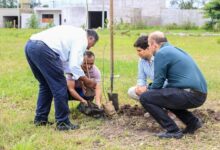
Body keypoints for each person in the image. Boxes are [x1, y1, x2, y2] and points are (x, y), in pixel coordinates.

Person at [24, 25, 99, 131]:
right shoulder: (82, 38)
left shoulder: (73, 33)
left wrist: (79, 78)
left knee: (45, 85)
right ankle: (63, 123)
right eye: (92, 45)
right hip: (43, 48)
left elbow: (65, 64)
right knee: (60, 86)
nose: (89, 48)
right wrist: (86, 80)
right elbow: (74, 65)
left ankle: (40, 119)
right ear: (91, 38)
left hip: (31, 46)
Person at [139, 31, 207, 139]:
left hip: (191, 94)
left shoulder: (161, 53)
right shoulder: (173, 49)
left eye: (148, 45)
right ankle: (193, 122)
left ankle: (173, 130)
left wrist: (146, 88)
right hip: (198, 93)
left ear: (154, 45)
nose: (149, 48)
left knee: (145, 97)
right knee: (164, 95)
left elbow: (158, 83)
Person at [127, 35, 154, 100]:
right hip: (152, 88)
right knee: (131, 91)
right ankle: (150, 105)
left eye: (139, 51)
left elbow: (163, 82)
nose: (137, 53)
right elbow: (141, 78)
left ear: (148, 48)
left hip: (162, 88)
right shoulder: (141, 60)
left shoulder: (158, 59)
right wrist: (140, 87)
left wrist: (147, 88)